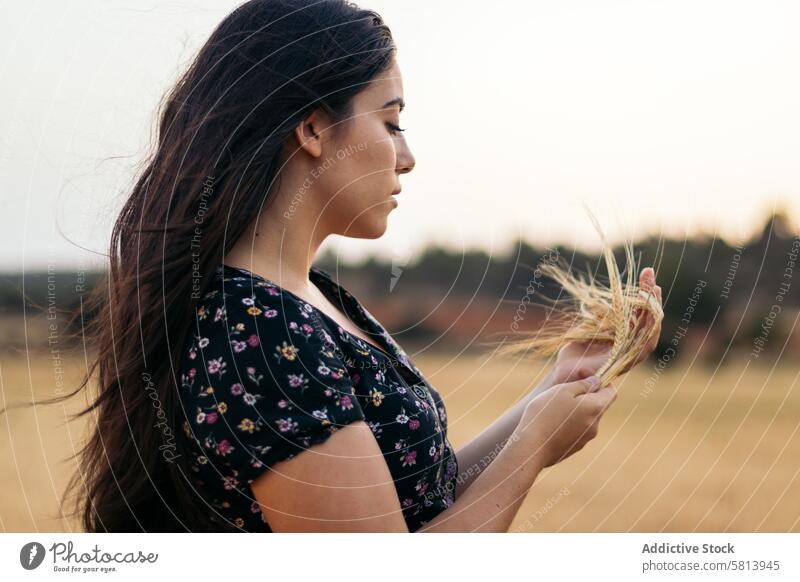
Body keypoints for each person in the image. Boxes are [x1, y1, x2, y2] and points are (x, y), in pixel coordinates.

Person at [63, 0, 662, 532]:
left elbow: (417, 499)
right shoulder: (258, 337)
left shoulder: (310, 303)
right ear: (314, 129)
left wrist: (552, 390)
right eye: (391, 121)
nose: (407, 157)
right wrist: (531, 449)